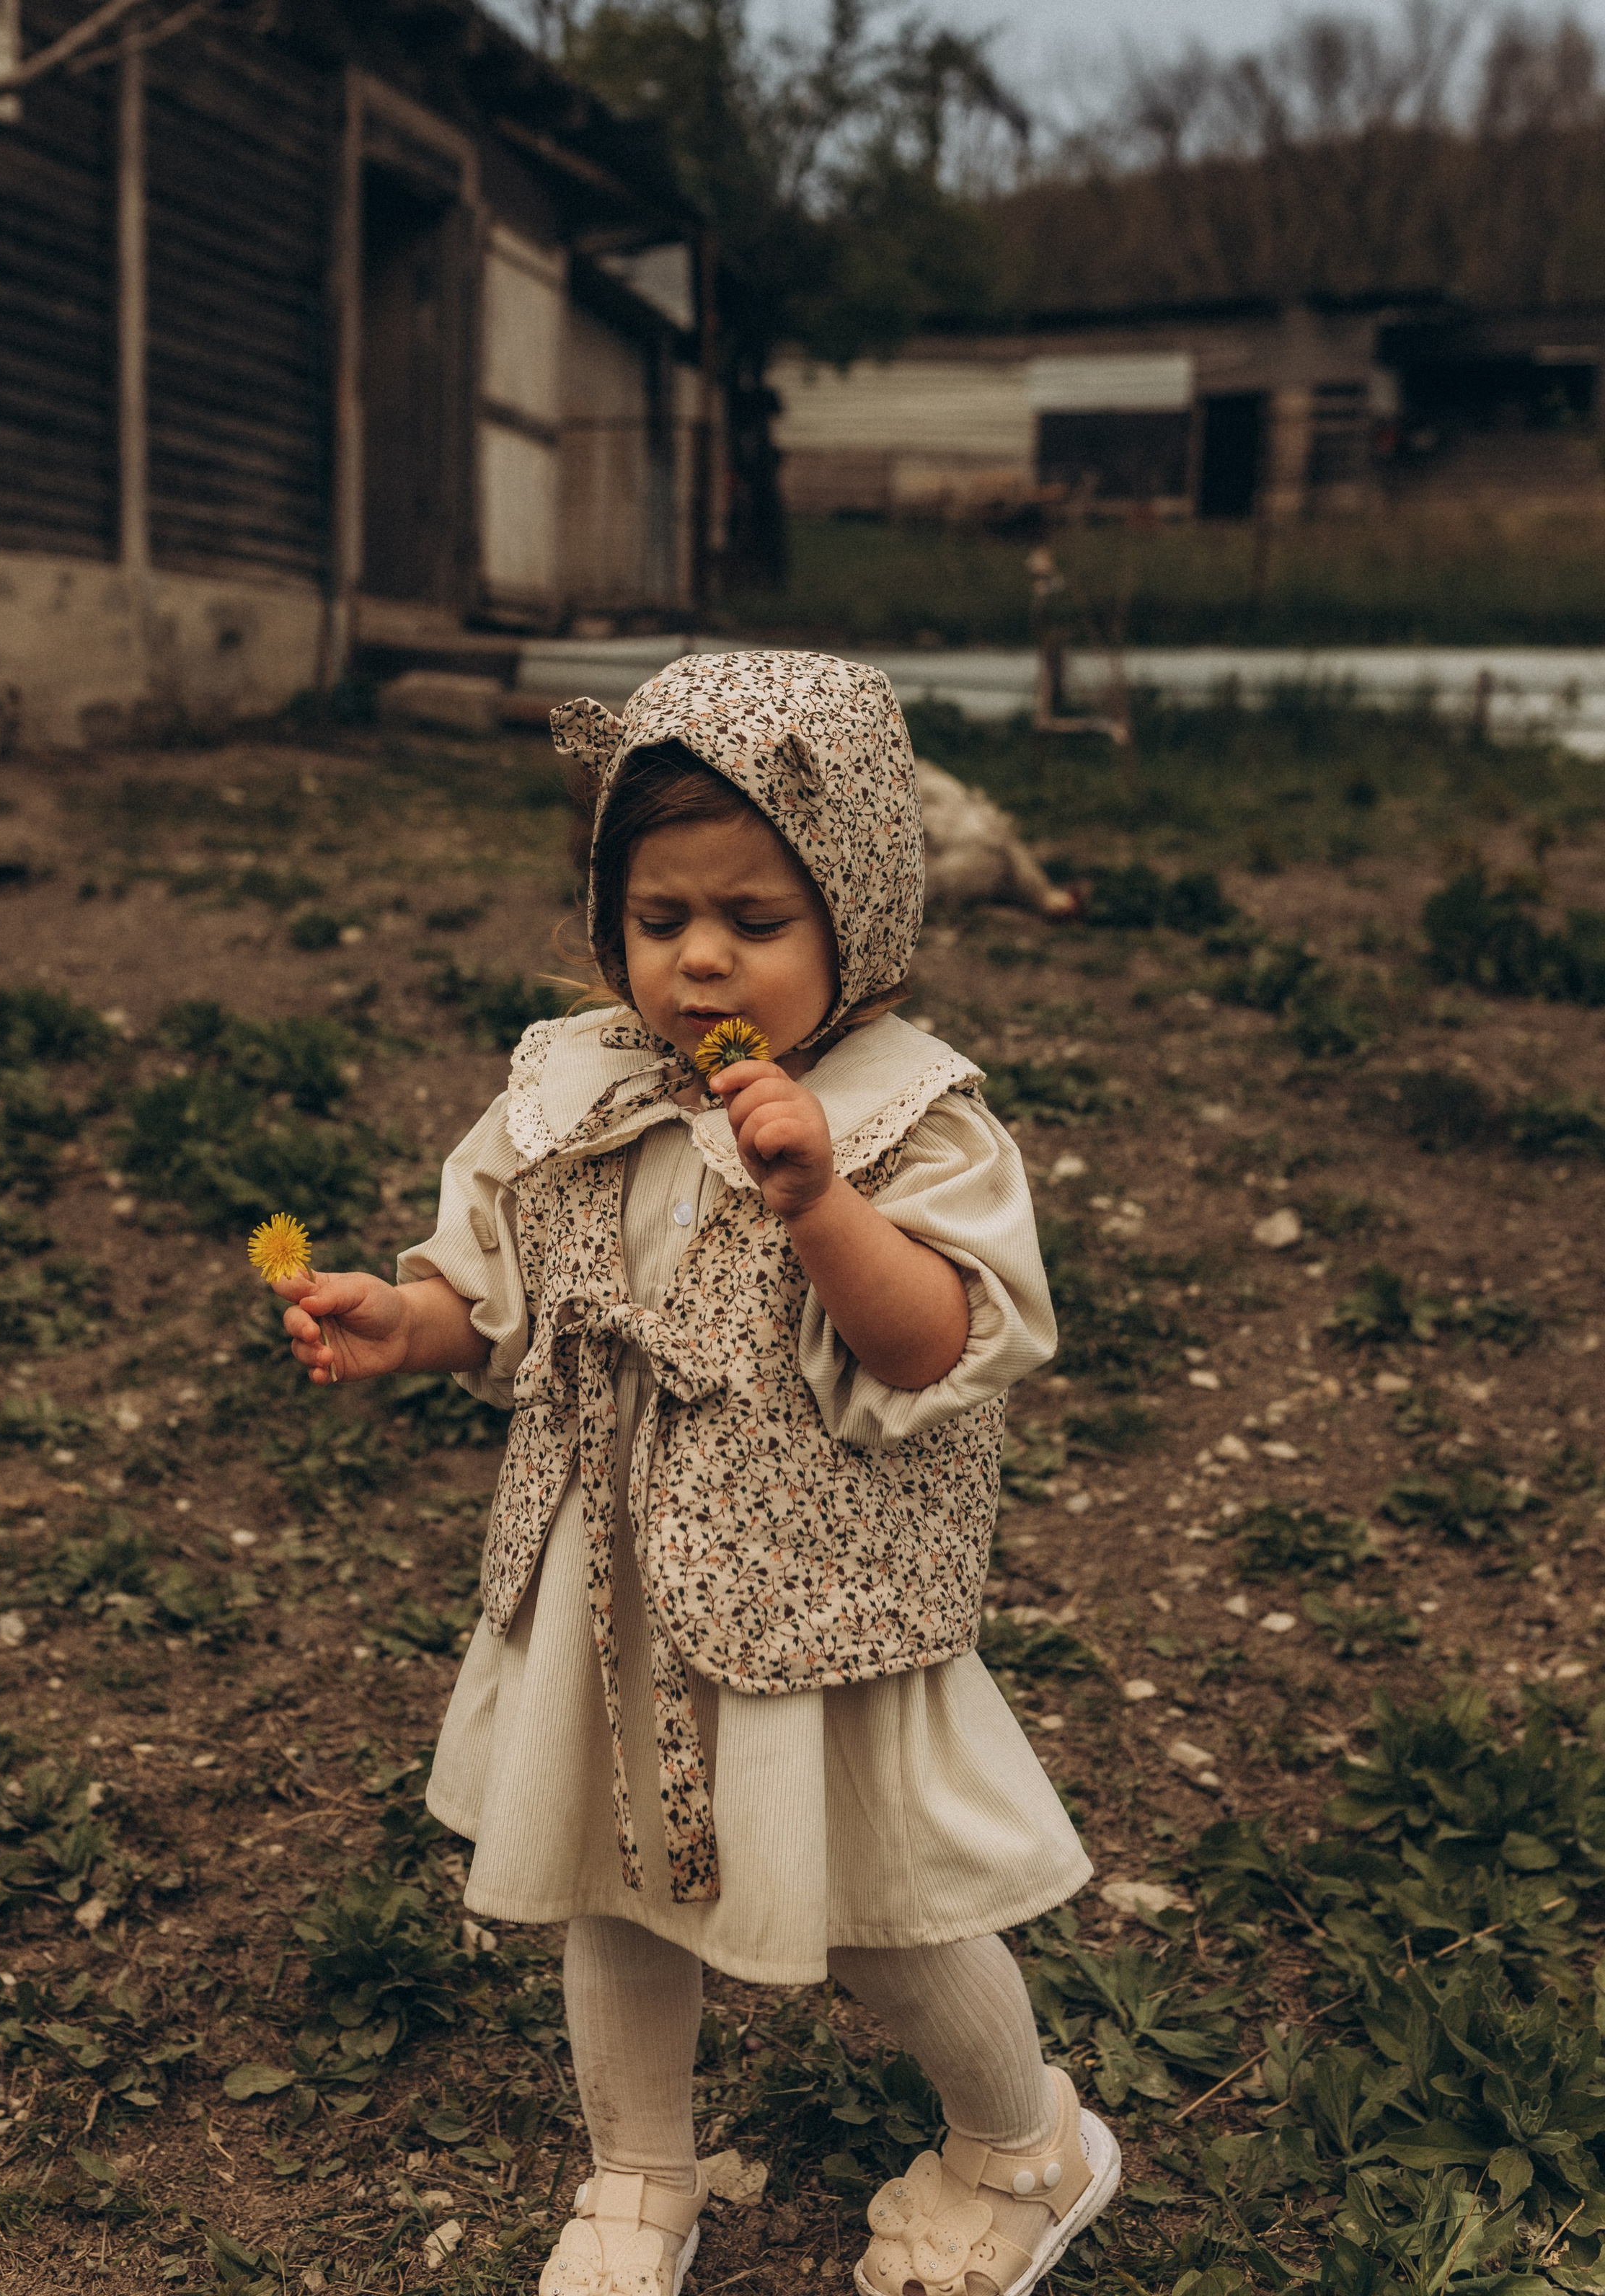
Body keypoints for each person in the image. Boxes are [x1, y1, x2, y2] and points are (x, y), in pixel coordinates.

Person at [270, 651, 1119, 2296]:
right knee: (606, 1868)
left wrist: (818, 1203)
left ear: (858, 913)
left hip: (817, 1595)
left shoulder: (904, 1118)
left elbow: (934, 1343)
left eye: (753, 916)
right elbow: (499, 1286)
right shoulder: (571, 1089)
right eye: (658, 919)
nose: (700, 958)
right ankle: (638, 2171)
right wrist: (412, 1321)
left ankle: (1024, 2146)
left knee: (886, 1896)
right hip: (611, 1575)